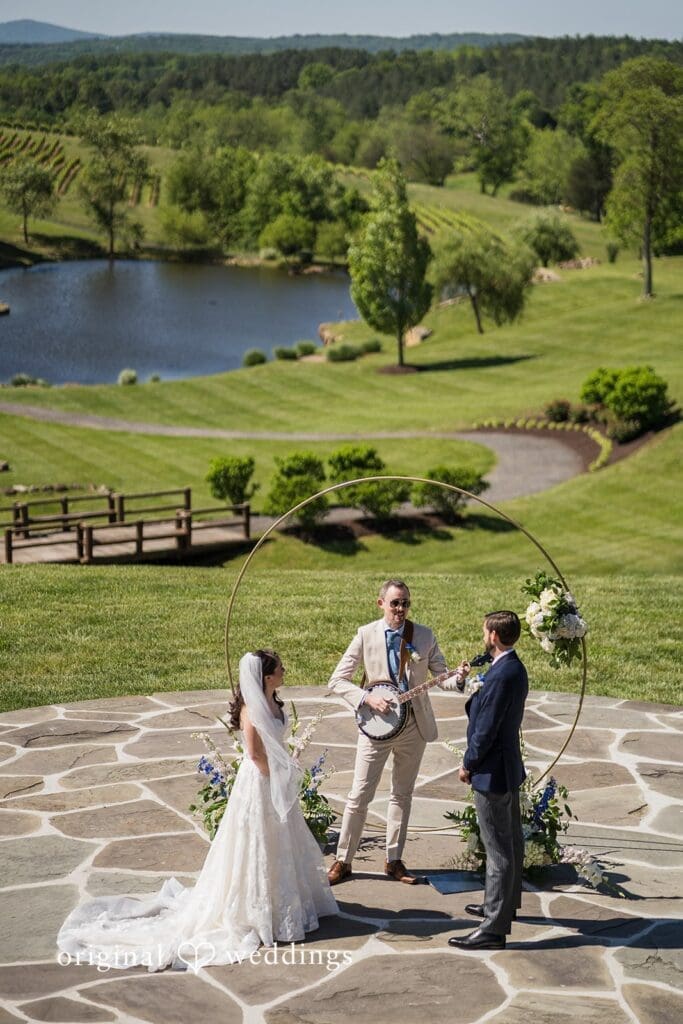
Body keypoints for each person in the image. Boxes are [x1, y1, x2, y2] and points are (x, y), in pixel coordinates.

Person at [58, 650, 337, 972]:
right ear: (267, 676)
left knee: (280, 839)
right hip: (260, 781)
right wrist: (278, 775)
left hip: (274, 776)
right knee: (257, 840)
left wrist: (284, 770)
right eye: (280, 668)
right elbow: (254, 753)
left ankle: (281, 900)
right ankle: (254, 907)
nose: (285, 671)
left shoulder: (274, 702)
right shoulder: (250, 710)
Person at [327, 579, 465, 885]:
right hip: (376, 727)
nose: (400, 609)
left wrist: (458, 679)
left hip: (413, 725)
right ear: (381, 604)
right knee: (359, 795)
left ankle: (394, 860)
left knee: (402, 794)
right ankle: (343, 860)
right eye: (395, 603)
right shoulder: (366, 634)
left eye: (405, 603)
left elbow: (441, 676)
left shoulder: (424, 635)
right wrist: (367, 699)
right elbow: (337, 680)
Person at [448, 611, 528, 951]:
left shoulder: (502, 676)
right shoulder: (513, 667)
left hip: (492, 772)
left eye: (485, 631)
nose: (483, 636)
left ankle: (493, 929)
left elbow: (486, 729)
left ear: (494, 635)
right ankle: (503, 905)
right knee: (512, 842)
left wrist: (468, 763)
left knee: (498, 850)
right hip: (506, 767)